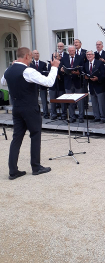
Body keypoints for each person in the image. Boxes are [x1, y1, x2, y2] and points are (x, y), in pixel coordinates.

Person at [0, 47, 60, 179]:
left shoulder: (8, 70)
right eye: (31, 57)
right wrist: (54, 67)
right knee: (35, 134)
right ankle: (36, 166)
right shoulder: (28, 71)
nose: (31, 60)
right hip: (30, 108)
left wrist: (12, 68)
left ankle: (13, 170)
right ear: (27, 56)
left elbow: (2, 82)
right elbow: (48, 82)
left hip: (16, 107)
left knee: (17, 137)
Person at [60, 45, 85, 123]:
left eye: (72, 50)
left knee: (80, 101)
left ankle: (81, 117)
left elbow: (83, 68)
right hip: (68, 82)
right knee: (70, 101)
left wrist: (78, 72)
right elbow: (61, 68)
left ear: (75, 50)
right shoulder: (64, 58)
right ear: (68, 51)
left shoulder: (80, 57)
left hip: (77, 81)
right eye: (70, 51)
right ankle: (72, 117)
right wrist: (62, 70)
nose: (71, 52)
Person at [83, 50, 105, 123]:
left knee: (101, 103)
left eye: (90, 54)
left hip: (99, 86)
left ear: (93, 55)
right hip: (91, 86)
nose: (88, 56)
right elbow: (85, 73)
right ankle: (96, 117)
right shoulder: (86, 64)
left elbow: (104, 75)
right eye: (87, 55)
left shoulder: (99, 63)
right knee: (94, 103)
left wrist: (98, 78)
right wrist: (86, 77)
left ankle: (103, 117)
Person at [30, 50, 49, 119]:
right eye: (35, 53)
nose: (36, 55)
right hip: (33, 85)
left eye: (37, 53)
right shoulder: (30, 64)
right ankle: (35, 113)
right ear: (32, 55)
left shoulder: (43, 64)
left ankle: (45, 114)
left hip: (42, 84)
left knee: (44, 100)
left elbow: (45, 73)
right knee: (34, 100)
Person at [48, 52, 66, 120]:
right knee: (53, 101)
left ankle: (63, 114)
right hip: (52, 86)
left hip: (60, 85)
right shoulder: (50, 65)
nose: (55, 58)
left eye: (56, 56)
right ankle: (53, 114)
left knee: (62, 101)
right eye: (54, 56)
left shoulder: (62, 65)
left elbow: (64, 75)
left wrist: (60, 76)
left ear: (59, 57)